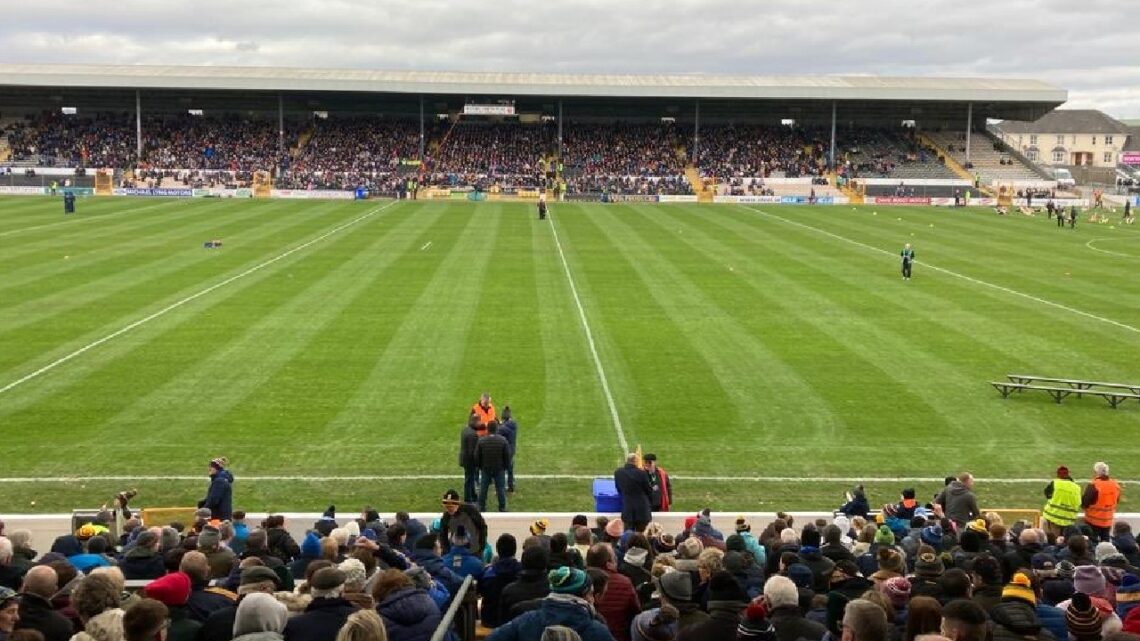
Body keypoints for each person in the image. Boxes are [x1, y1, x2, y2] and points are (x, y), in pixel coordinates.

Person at [475, 422, 512, 513]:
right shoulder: (503, 441)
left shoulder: (482, 441)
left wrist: (480, 466)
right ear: (496, 429)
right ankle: (502, 507)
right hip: (499, 469)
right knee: (500, 489)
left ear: (488, 429)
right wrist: (506, 467)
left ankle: (481, 506)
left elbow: (477, 456)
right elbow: (507, 456)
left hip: (486, 468)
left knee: (483, 489)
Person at [1082, 461, 1122, 543]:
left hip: (1093, 521)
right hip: (1108, 521)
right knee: (1106, 542)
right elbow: (1117, 500)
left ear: (1096, 472)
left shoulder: (1094, 485)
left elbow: (1085, 503)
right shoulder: (1115, 485)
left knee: (1092, 543)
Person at [613, 453, 653, 534]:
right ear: (636, 461)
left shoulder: (618, 473)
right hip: (642, 510)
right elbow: (649, 490)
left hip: (628, 508)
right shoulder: (641, 473)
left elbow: (619, 489)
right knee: (641, 536)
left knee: (628, 535)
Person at [1041, 466, 1081, 541]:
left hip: (1054, 518)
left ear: (1058, 475)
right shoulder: (1076, 487)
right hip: (1069, 520)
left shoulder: (1055, 483)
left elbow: (1047, 494)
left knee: (1054, 540)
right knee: (1066, 540)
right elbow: (1079, 502)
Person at [199, 457, 234, 521]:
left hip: (218, 518)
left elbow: (214, 500)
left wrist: (203, 510)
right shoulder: (222, 479)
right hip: (223, 516)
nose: (209, 469)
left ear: (217, 469)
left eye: (211, 467)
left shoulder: (219, 481)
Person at [499, 407, 519, 493]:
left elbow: (498, 431)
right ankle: (511, 486)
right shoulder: (514, 424)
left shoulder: (503, 427)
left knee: (502, 470)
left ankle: (502, 487)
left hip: (505, 451)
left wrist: (499, 424)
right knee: (510, 469)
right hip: (512, 449)